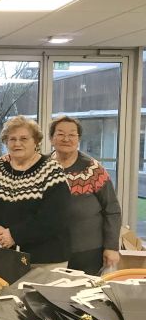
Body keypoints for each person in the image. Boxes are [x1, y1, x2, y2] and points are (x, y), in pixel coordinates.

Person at [0, 116, 71, 268]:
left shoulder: (52, 171)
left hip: (43, 260)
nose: (17, 143)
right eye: (12, 139)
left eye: (24, 138)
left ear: (36, 141)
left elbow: (54, 216)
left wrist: (15, 235)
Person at [49, 115, 121, 274]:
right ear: (51, 139)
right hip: (48, 250)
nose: (66, 138)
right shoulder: (42, 167)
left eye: (72, 134)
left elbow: (112, 209)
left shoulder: (93, 169)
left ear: (78, 139)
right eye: (60, 134)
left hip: (87, 251)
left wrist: (111, 247)